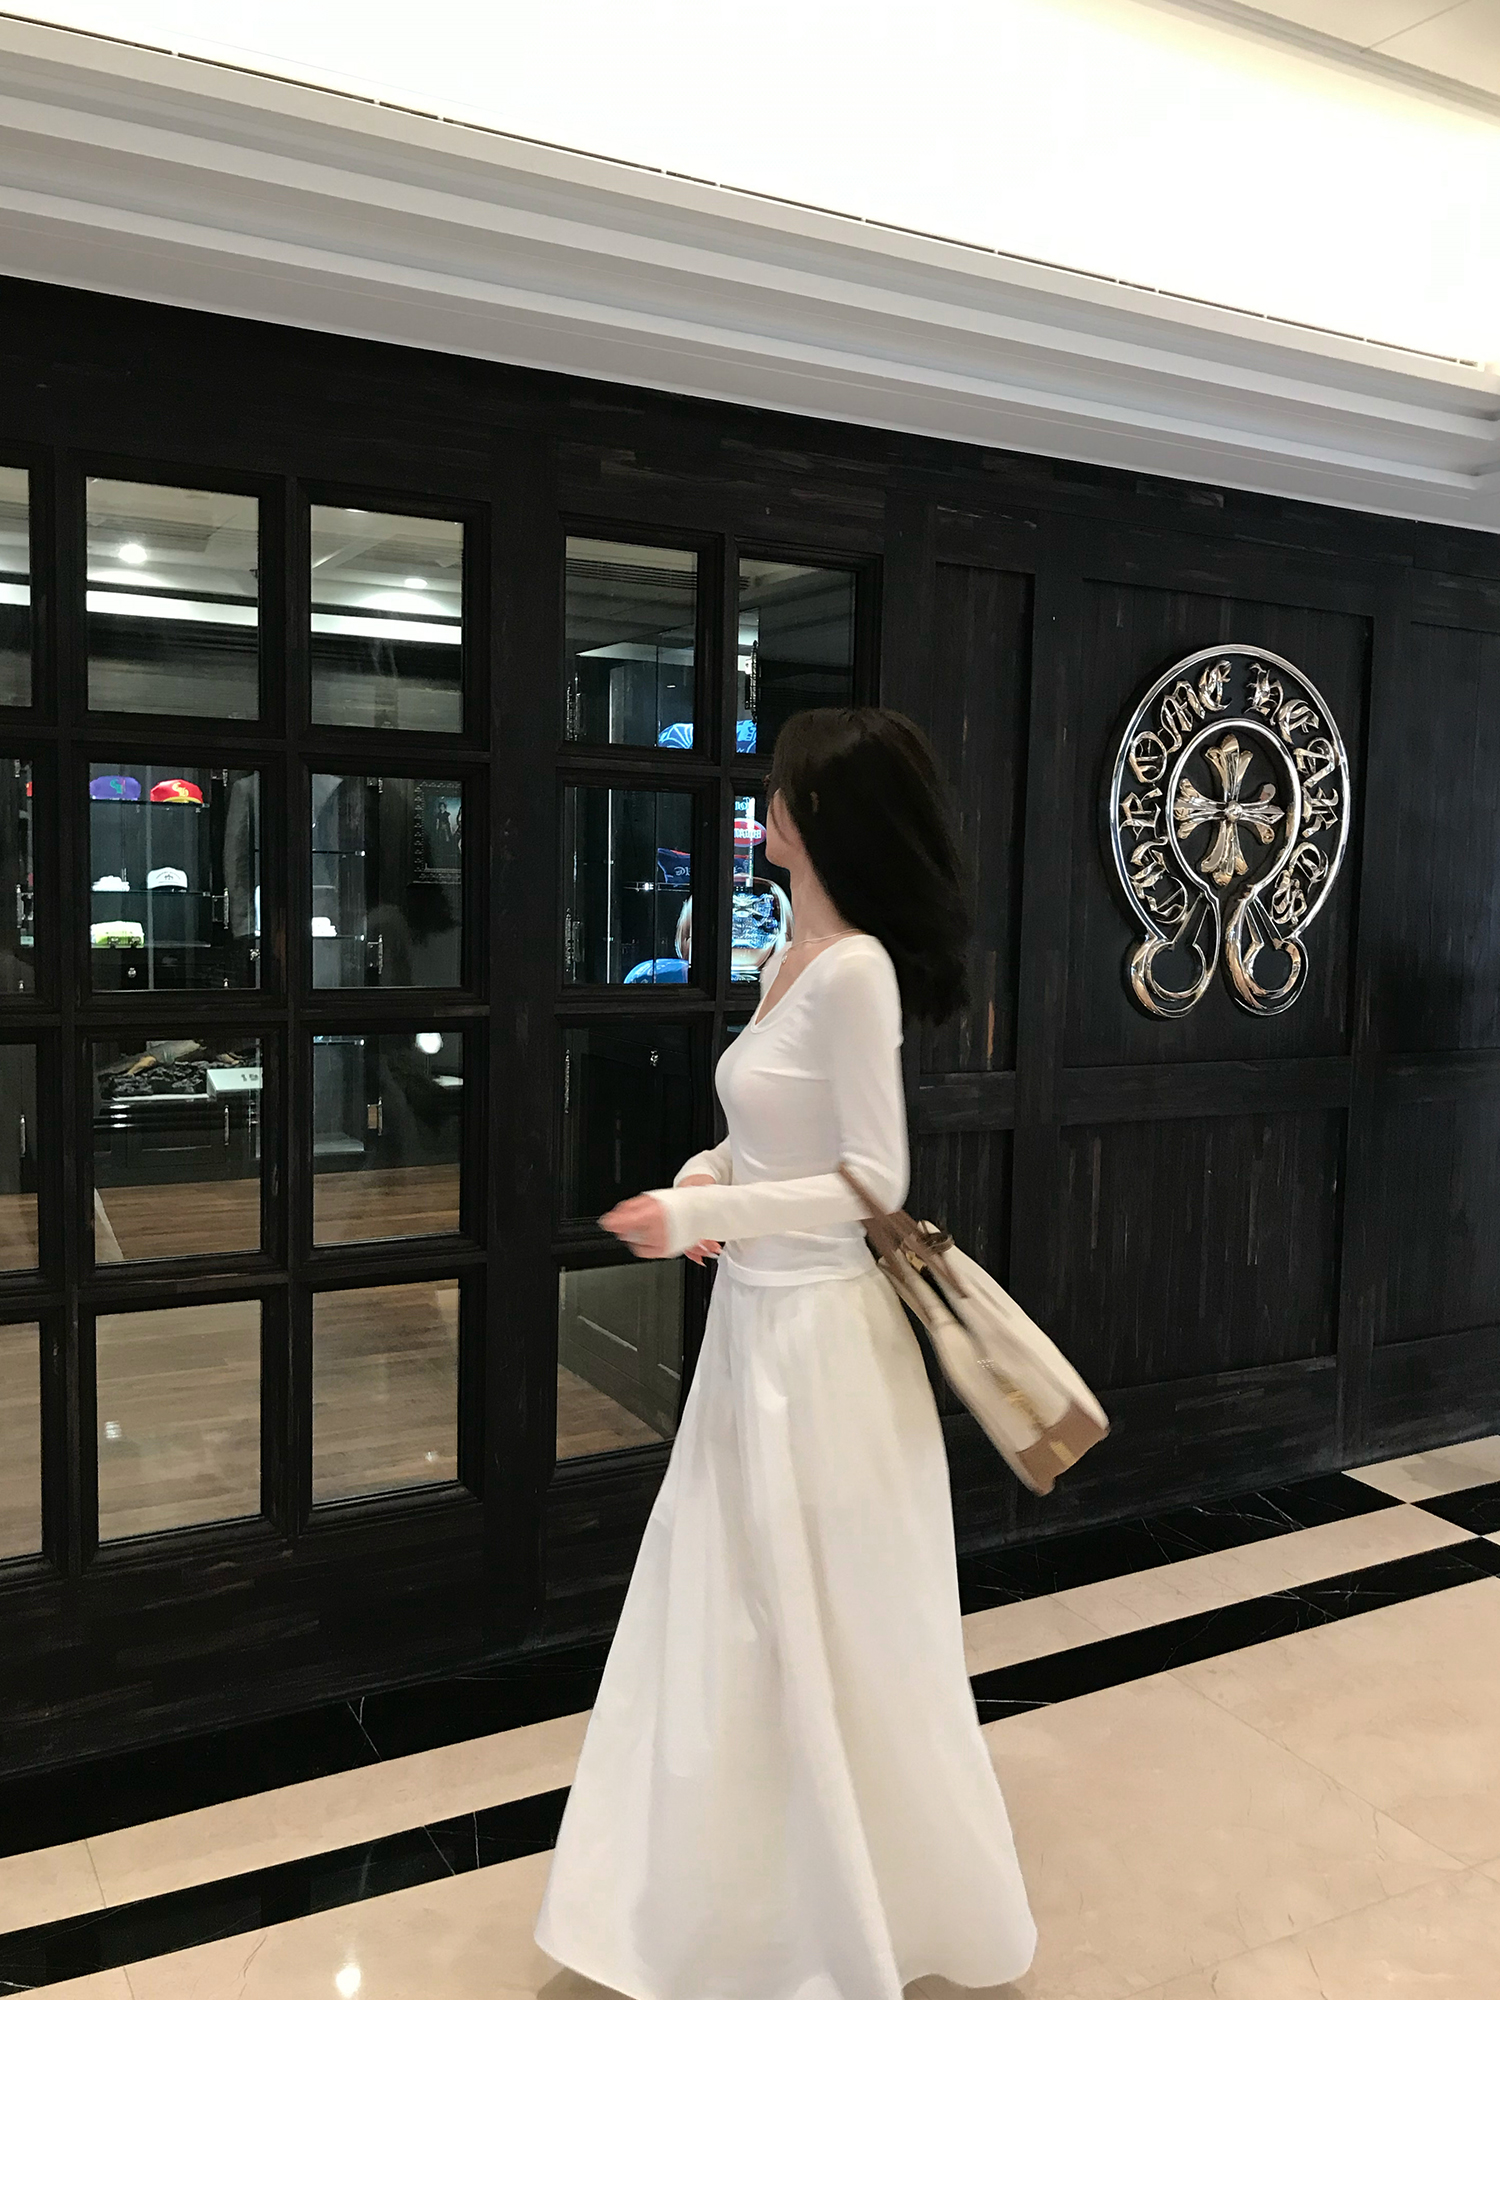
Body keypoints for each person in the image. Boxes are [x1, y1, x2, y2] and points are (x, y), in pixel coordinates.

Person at [534, 706, 1037, 2000]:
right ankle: (734, 1900)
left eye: (781, 793)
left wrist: (706, 1213)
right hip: (753, 1325)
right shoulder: (787, 956)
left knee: (825, 1618)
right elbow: (770, 1137)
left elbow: (875, 1178)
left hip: (819, 1342)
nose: (764, 809)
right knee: (733, 1605)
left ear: (822, 818)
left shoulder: (857, 969)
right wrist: (707, 1174)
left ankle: (851, 1913)